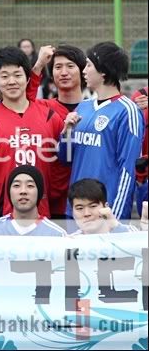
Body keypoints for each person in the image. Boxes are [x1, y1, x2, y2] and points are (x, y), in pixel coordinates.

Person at [0, 46, 64, 219]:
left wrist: (51, 194)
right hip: (1, 216)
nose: (11, 81)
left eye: (17, 75)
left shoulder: (50, 117)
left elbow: (62, 164)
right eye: (4, 76)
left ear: (27, 78)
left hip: (42, 216)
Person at [59, 42, 144, 222]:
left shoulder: (127, 111)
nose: (84, 70)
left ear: (103, 71)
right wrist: (66, 133)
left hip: (105, 213)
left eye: (89, 65)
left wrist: (115, 217)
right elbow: (66, 160)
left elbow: (128, 170)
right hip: (76, 209)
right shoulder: (83, 107)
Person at [28, 44, 88, 219]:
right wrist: (39, 65)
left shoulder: (93, 110)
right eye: (57, 67)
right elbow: (21, 100)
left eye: (70, 66)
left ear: (82, 71)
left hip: (85, 200)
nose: (63, 72)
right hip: (50, 201)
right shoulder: (44, 107)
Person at [0, 165, 66, 236]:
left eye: (30, 186)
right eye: (16, 185)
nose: (23, 191)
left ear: (39, 192)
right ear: (9, 192)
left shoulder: (56, 234)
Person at [68, 179, 137, 235]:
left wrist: (116, 227)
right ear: (72, 212)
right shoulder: (70, 243)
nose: (87, 213)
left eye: (93, 206)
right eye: (80, 208)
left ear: (106, 207)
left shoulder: (130, 233)